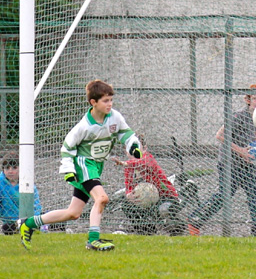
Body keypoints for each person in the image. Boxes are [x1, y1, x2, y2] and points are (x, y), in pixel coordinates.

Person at [17, 79, 142, 251]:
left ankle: (29, 223)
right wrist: (68, 171)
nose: (110, 104)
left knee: (73, 213)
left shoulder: (114, 117)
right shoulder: (83, 127)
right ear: (94, 102)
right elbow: (67, 148)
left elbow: (126, 134)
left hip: (96, 167)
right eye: (106, 100)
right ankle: (93, 240)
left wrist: (133, 146)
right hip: (84, 166)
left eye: (111, 100)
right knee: (102, 198)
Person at [187, 83, 256, 237]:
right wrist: (241, 152)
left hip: (246, 165)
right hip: (229, 164)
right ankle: (194, 222)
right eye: (255, 98)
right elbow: (220, 135)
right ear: (247, 100)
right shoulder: (238, 116)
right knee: (223, 195)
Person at [111, 134, 195, 236]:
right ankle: (146, 231)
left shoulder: (148, 158)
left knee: (163, 210)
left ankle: (178, 227)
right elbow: (128, 184)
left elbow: (142, 163)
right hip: (146, 200)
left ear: (144, 148)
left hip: (165, 196)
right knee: (127, 205)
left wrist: (125, 163)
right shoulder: (129, 167)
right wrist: (129, 194)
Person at [0, 151, 41, 235]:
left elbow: (36, 204)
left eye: (14, 168)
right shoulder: (1, 183)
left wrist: (36, 217)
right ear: (3, 170)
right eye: (7, 168)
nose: (10, 171)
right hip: (9, 220)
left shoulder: (27, 182)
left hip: (27, 218)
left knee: (48, 217)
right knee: (7, 228)